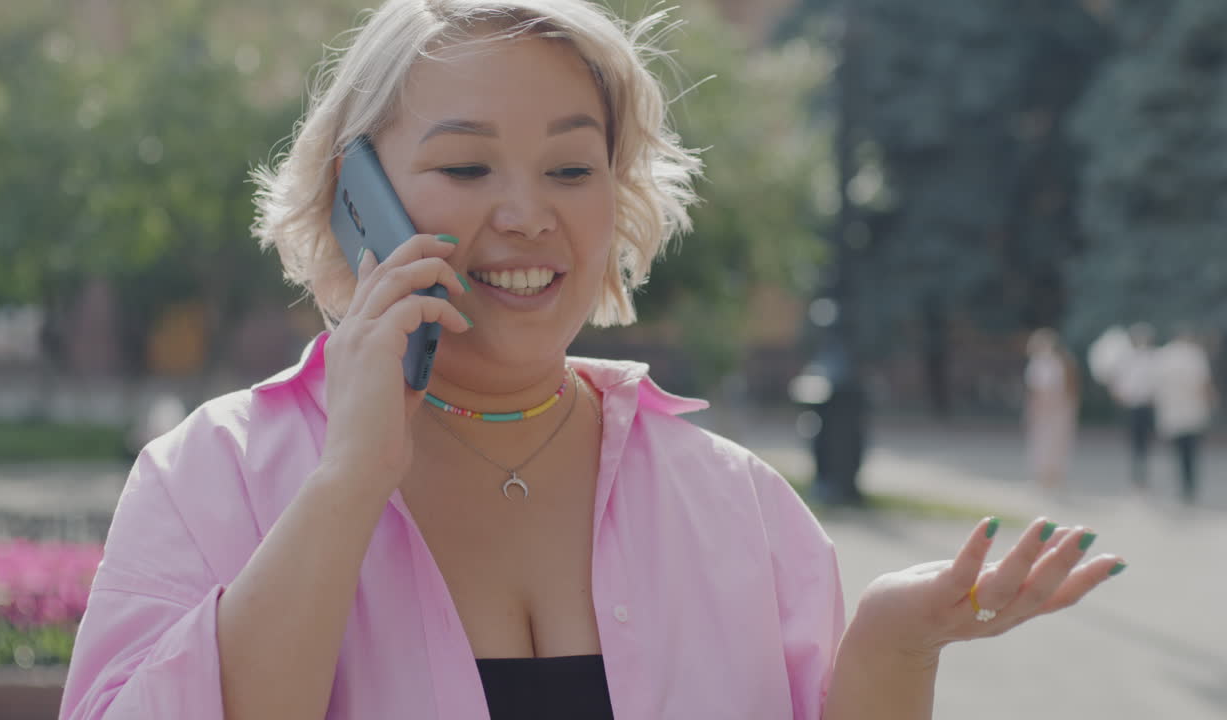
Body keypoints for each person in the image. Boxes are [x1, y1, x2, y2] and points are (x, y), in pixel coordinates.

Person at [58, 2, 1124, 719]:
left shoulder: (737, 505)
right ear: (356, 197)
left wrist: (895, 641)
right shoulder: (214, 475)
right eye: (466, 164)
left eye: (572, 166)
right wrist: (345, 485)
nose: (525, 214)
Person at [1153, 327, 1217, 503]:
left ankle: (1183, 485)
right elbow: (1204, 382)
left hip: (1172, 412)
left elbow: (1157, 386)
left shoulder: (1164, 355)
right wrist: (1211, 403)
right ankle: (1189, 486)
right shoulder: (1195, 354)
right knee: (1191, 451)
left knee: (1178, 451)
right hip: (1192, 411)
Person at [1023, 328, 1081, 492]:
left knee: (1051, 443)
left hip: (1054, 409)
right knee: (1045, 443)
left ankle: (1051, 476)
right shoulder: (1045, 363)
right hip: (1051, 409)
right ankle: (1045, 476)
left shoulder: (1057, 363)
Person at [1109, 322, 1158, 489]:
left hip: (1145, 404)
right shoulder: (1126, 357)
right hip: (1131, 404)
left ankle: (1141, 474)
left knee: (1143, 441)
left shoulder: (1151, 356)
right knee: (1135, 441)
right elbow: (1118, 380)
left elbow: (1154, 381)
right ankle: (1137, 475)